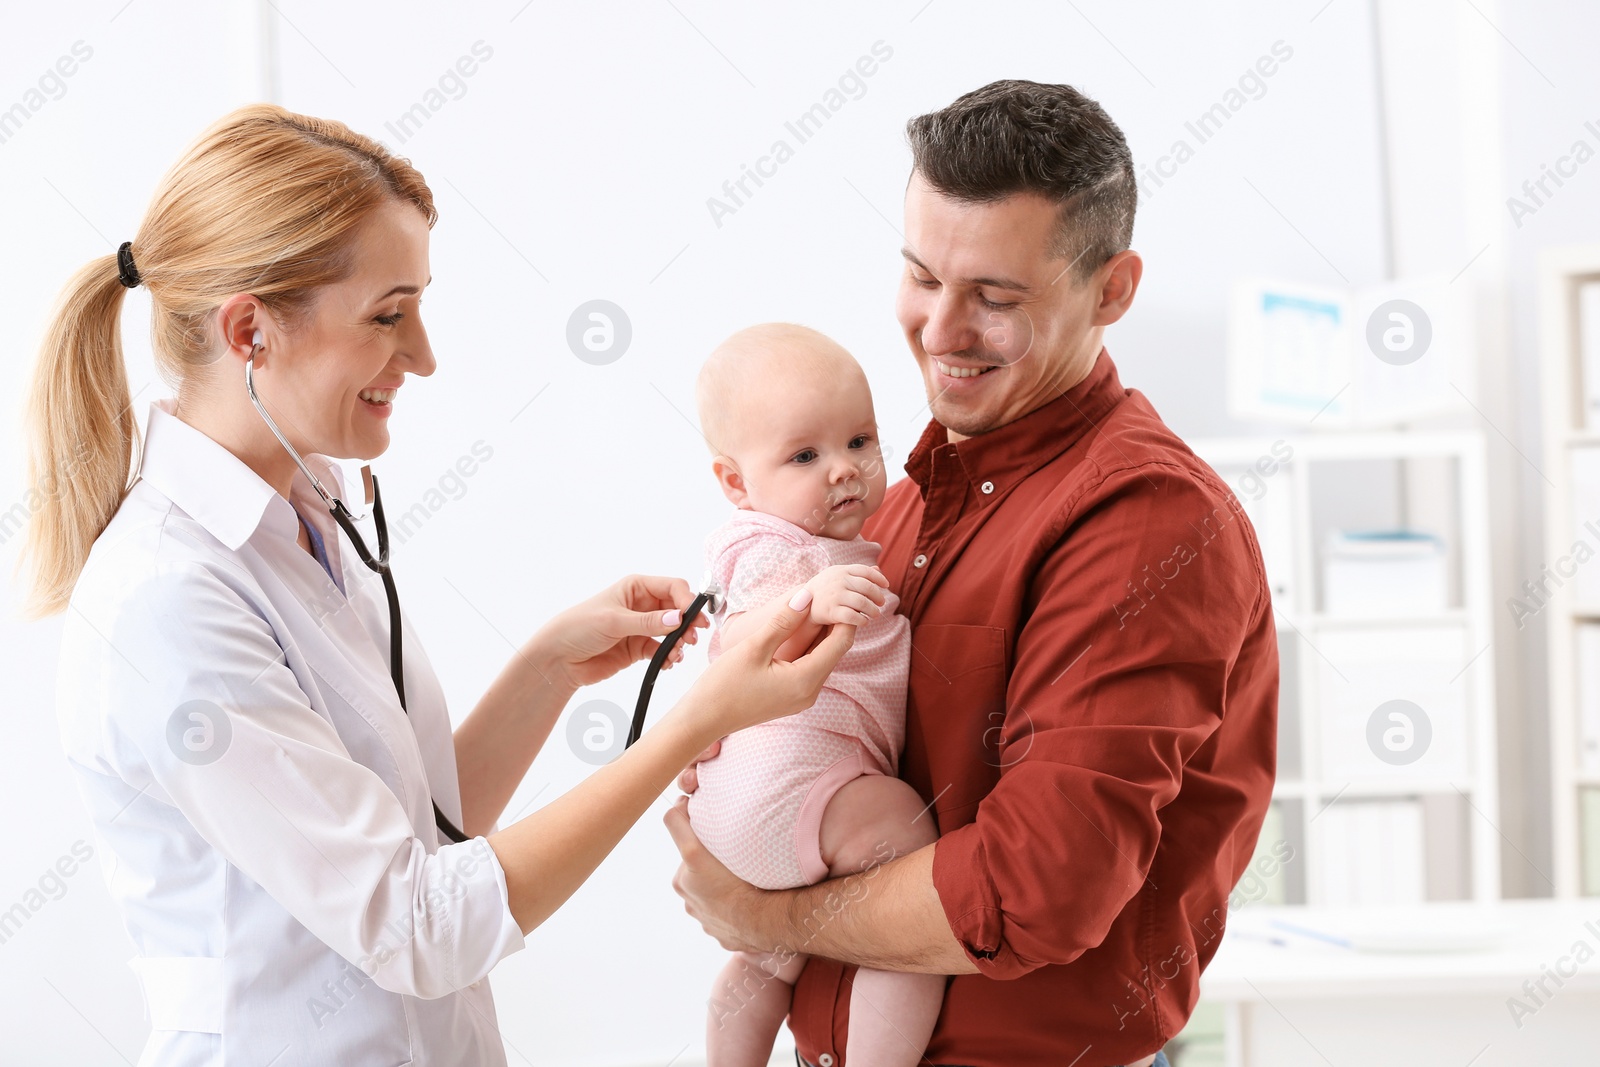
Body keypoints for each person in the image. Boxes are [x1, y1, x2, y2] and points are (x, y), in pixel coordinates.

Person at [18, 103, 854, 1067]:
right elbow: (414, 923)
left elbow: (418, 829)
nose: (423, 356)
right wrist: (695, 720)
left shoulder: (303, 509)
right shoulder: (169, 601)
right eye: (388, 316)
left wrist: (548, 669)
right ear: (250, 331)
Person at [664, 80, 1278, 1067]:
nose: (940, 330)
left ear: (1111, 290)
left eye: (994, 297)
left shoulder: (1141, 521)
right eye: (920, 276)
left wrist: (760, 907)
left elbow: (1033, 887)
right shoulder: (898, 500)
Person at [687, 324, 942, 1066]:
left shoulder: (826, 542)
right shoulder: (780, 554)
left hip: (749, 806)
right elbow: (743, 645)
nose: (845, 470)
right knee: (910, 880)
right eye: (805, 455)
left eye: (860, 441)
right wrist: (812, 600)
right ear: (736, 483)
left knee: (768, 958)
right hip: (789, 790)